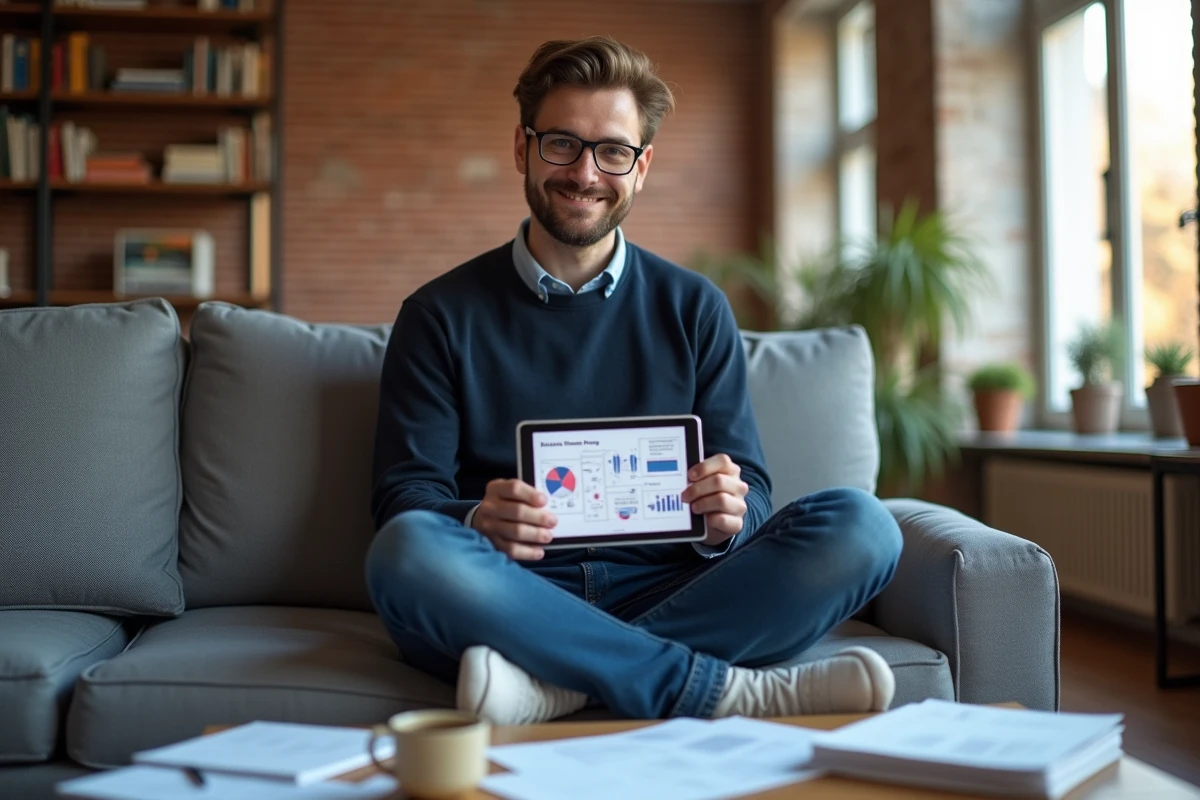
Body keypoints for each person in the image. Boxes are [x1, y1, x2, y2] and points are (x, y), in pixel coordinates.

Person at [366, 35, 903, 725]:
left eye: (612, 151)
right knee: (407, 551)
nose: (585, 173)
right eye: (561, 143)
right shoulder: (439, 315)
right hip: (512, 591)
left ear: (641, 166)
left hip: (675, 583)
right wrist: (476, 519)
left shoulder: (696, 307)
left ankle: (558, 686)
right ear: (522, 148)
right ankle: (710, 686)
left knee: (864, 525)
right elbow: (404, 499)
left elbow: (756, 493)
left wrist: (726, 521)